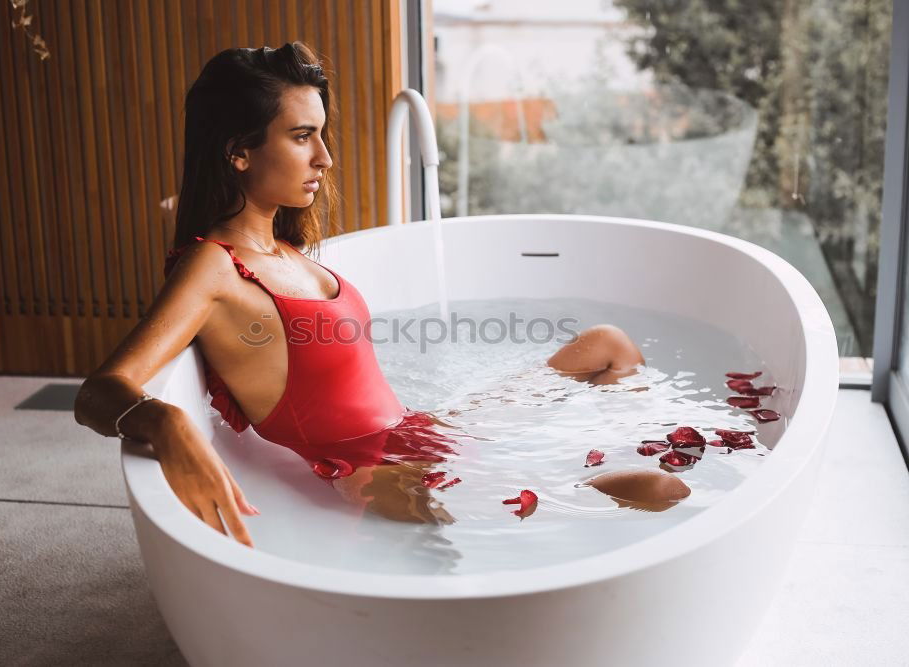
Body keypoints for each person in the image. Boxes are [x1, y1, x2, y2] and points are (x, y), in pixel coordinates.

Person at [73, 43, 689, 549]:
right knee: (662, 491)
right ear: (238, 152)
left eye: (321, 134)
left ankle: (603, 450)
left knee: (608, 345)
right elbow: (101, 391)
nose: (325, 156)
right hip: (382, 476)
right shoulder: (215, 267)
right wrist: (168, 421)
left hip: (419, 432)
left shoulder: (287, 252)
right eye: (301, 137)